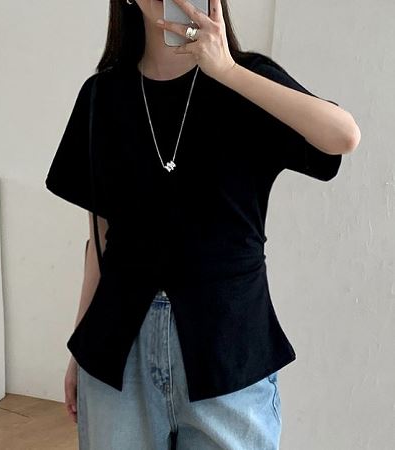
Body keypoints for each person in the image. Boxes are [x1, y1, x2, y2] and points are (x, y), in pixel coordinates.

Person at [45, 1, 360, 449]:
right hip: (116, 350)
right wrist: (80, 346)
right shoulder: (102, 95)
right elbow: (100, 236)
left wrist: (226, 70)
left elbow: (342, 136)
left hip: (228, 348)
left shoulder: (248, 80)